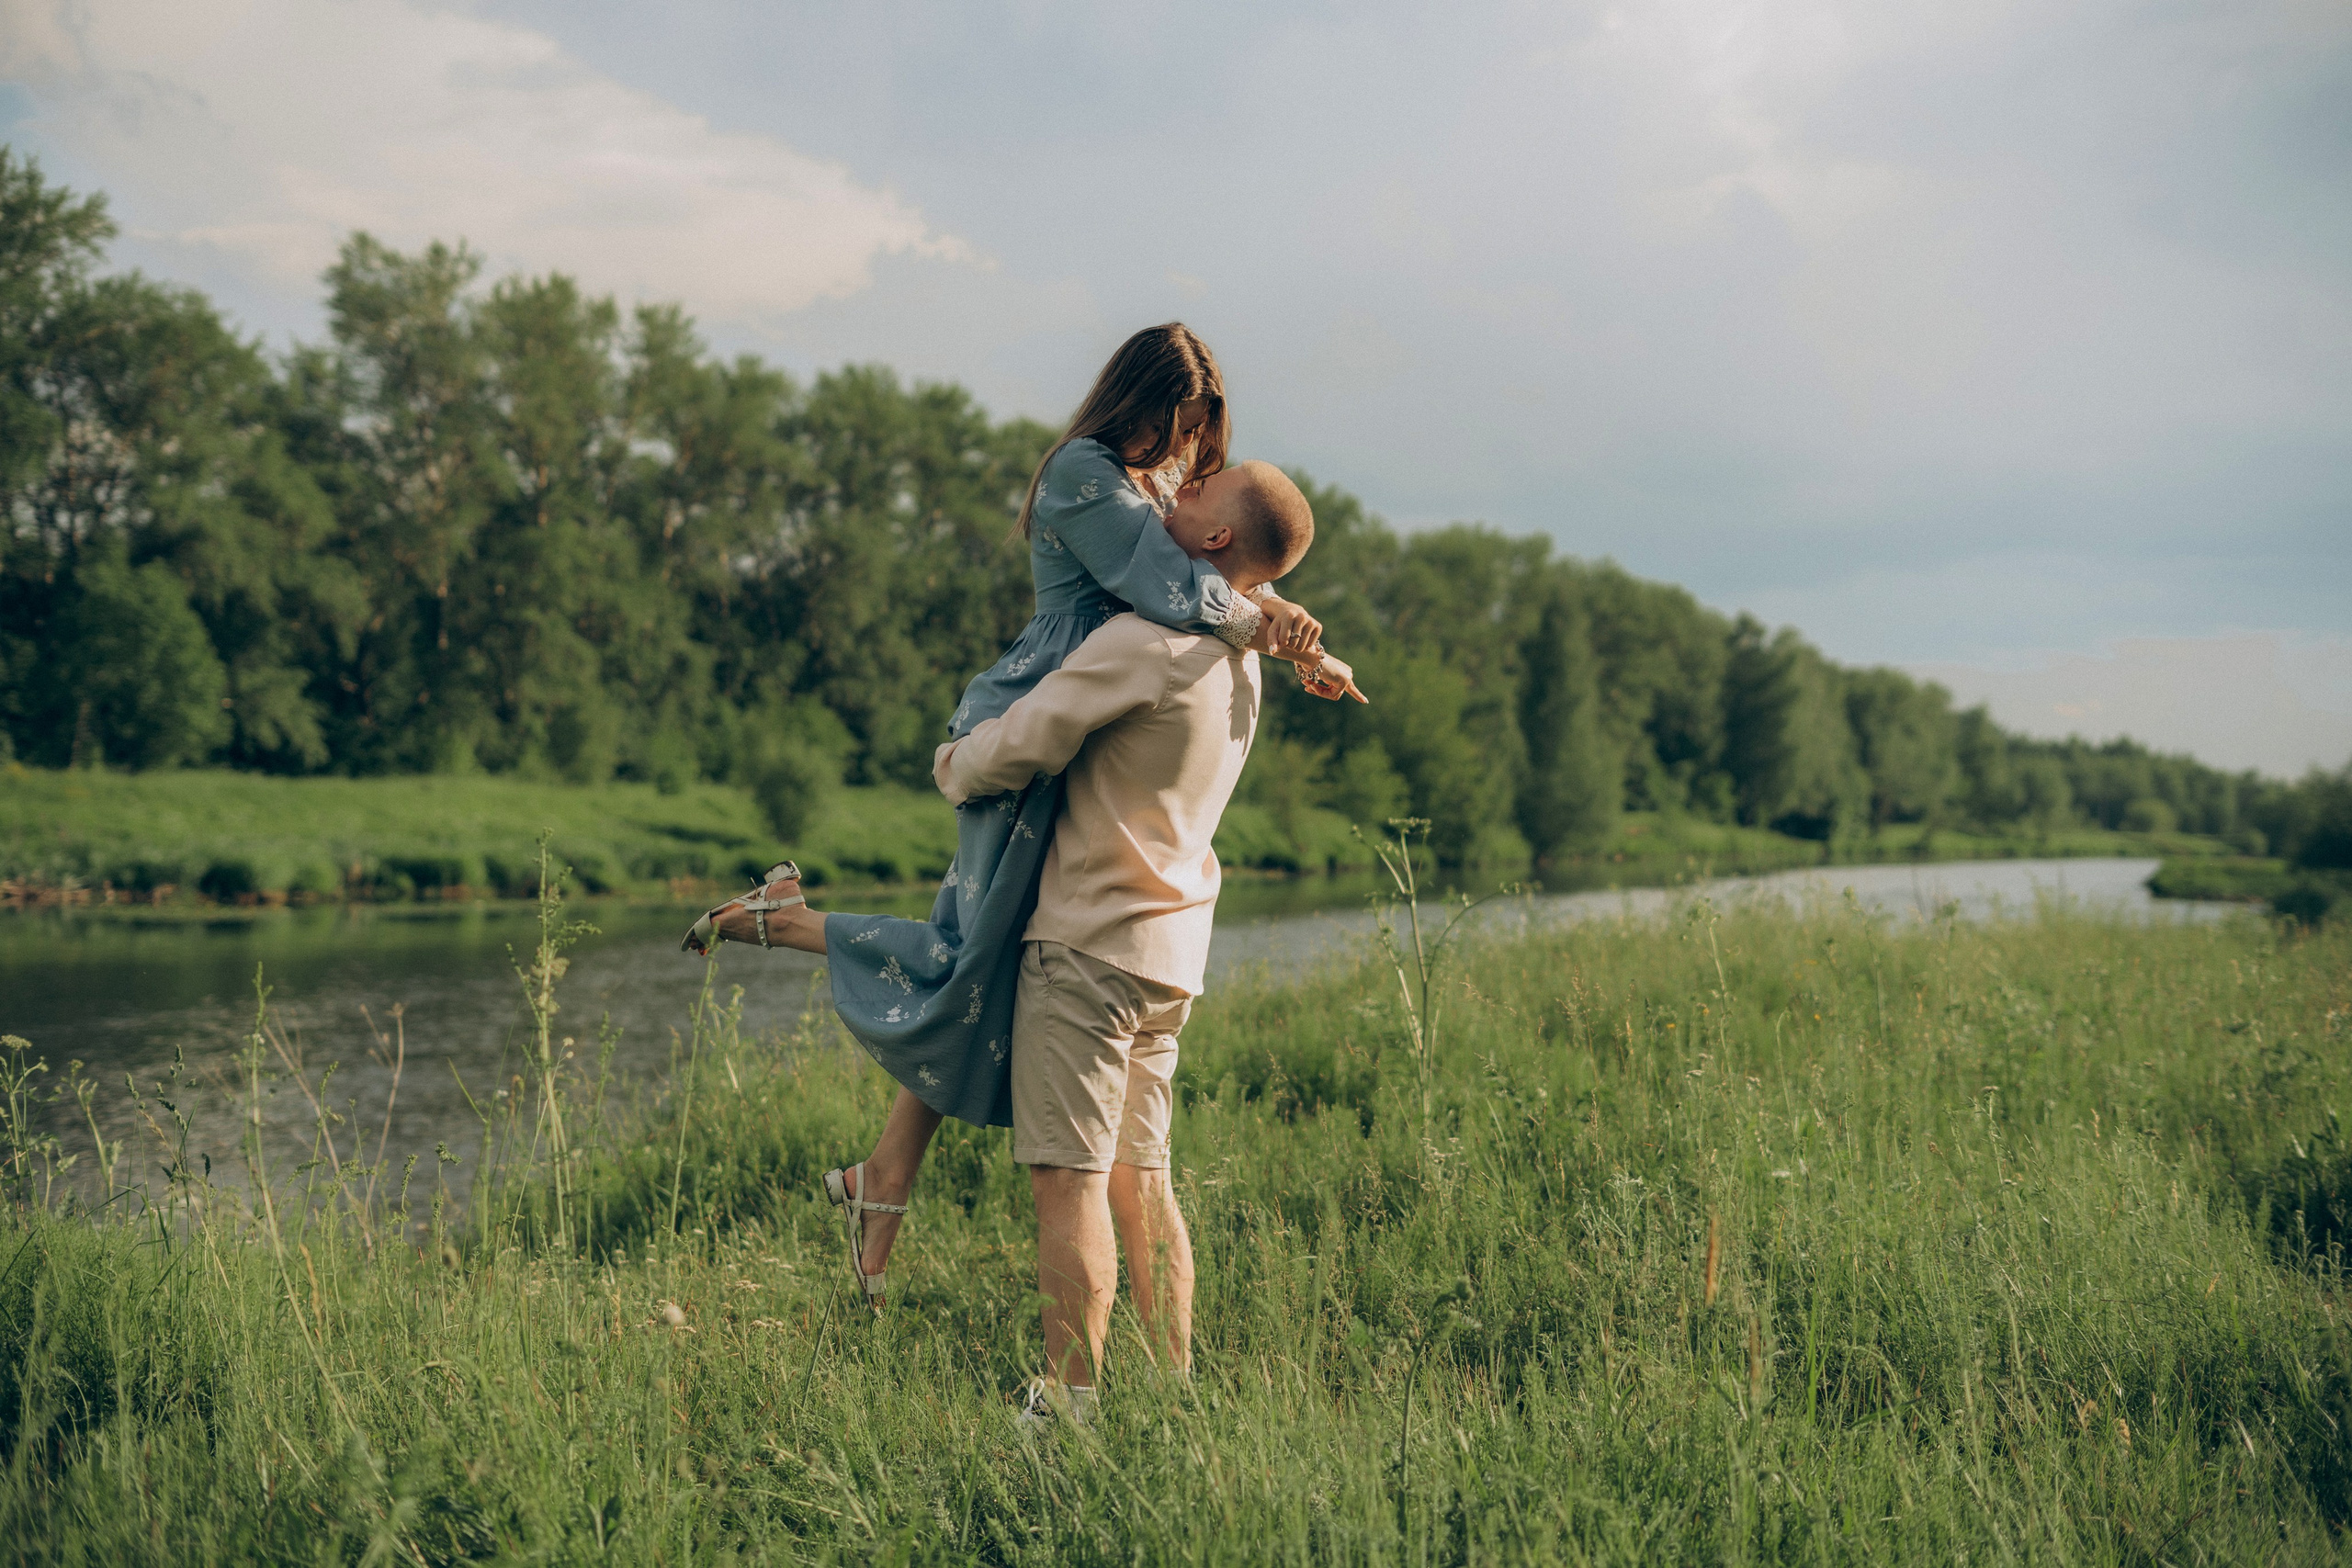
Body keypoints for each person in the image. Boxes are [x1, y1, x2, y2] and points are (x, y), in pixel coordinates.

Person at [680, 325, 1363, 1306]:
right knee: (970, 951)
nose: (1184, 465)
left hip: (1085, 729)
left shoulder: (1150, 484)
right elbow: (1176, 583)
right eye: (1178, 434)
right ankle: (781, 927)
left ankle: (880, 1179)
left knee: (985, 959)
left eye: (1198, 449)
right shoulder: (1085, 474)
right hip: (1032, 715)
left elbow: (1231, 557)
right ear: (1137, 402)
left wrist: (1289, 619)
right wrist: (1287, 640)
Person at [933, 458, 1314, 1416]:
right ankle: (1174, 1388)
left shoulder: (1148, 642)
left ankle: (1071, 1407)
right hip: (1170, 956)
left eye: (1192, 496)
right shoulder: (1241, 664)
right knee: (1145, 1182)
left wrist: (953, 765)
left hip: (1088, 947)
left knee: (1069, 1184)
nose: (1167, 497)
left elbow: (1026, 739)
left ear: (1216, 538)